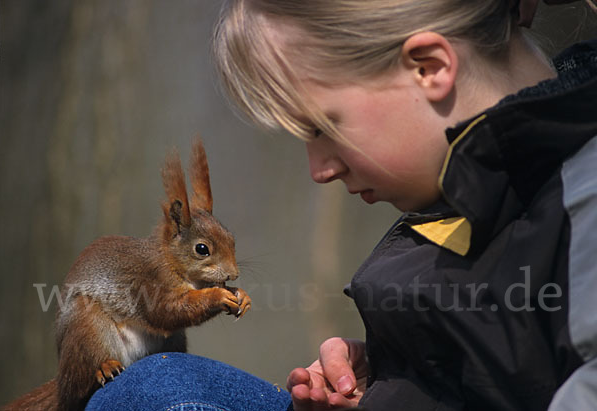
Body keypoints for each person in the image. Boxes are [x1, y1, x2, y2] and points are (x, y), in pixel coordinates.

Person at [87, 0, 597, 410]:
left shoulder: (580, 209)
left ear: (430, 68)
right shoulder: (459, 193)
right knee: (154, 386)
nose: (319, 169)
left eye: (324, 128)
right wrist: (391, 372)